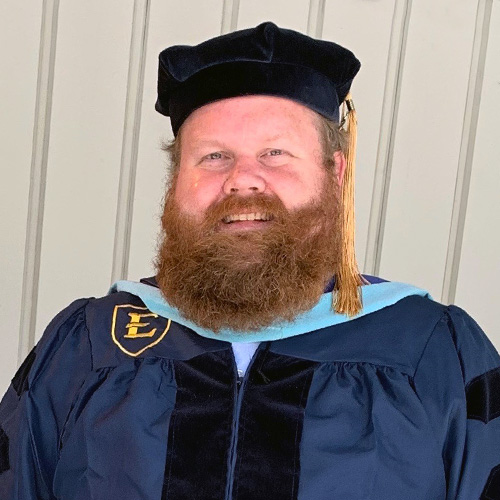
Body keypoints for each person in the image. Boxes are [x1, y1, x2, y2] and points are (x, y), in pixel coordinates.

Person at [0, 21, 499, 500]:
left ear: (336, 173)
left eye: (276, 153)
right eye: (214, 156)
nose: (243, 179)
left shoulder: (432, 352)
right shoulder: (89, 345)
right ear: (177, 182)